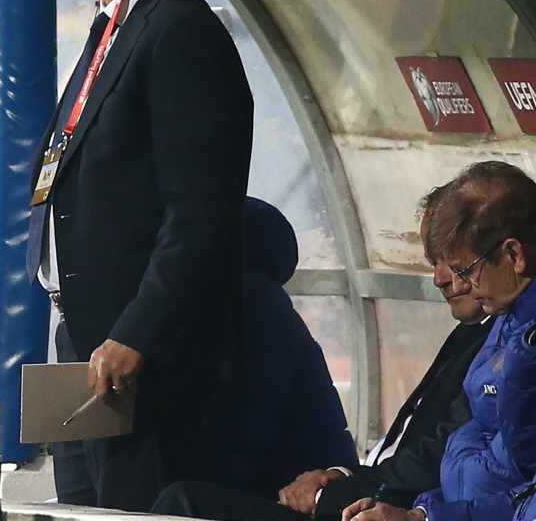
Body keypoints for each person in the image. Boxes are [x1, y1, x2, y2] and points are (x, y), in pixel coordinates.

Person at [23, 0, 254, 510]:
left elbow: (200, 216)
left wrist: (135, 335)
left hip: (139, 364)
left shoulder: (181, 35)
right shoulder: (112, 26)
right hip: (85, 345)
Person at [152, 183, 494, 521]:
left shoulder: (256, 311)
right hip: (355, 492)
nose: (441, 278)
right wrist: (342, 476)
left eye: (457, 262)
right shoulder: (470, 332)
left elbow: (440, 455)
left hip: (372, 505)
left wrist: (337, 488)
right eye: (435, 261)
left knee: (181, 502)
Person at [343, 162, 536, 521]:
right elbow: (473, 457)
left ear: (514, 255)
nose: (459, 284)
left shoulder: (519, 335)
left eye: (465, 269)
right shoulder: (504, 326)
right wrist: (422, 512)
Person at [201, 197, 357, 499]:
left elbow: (244, 433)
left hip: (290, 493)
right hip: (310, 485)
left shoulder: (253, 307)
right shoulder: (273, 308)